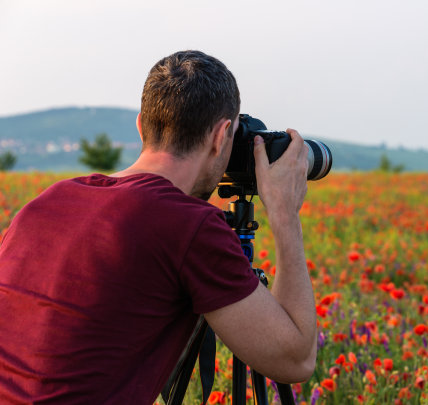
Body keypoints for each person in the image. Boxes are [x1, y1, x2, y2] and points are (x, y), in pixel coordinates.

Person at [0, 50, 317, 404]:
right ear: (221, 135)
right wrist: (285, 215)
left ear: (141, 126)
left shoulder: (47, 203)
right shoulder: (186, 224)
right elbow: (297, 360)